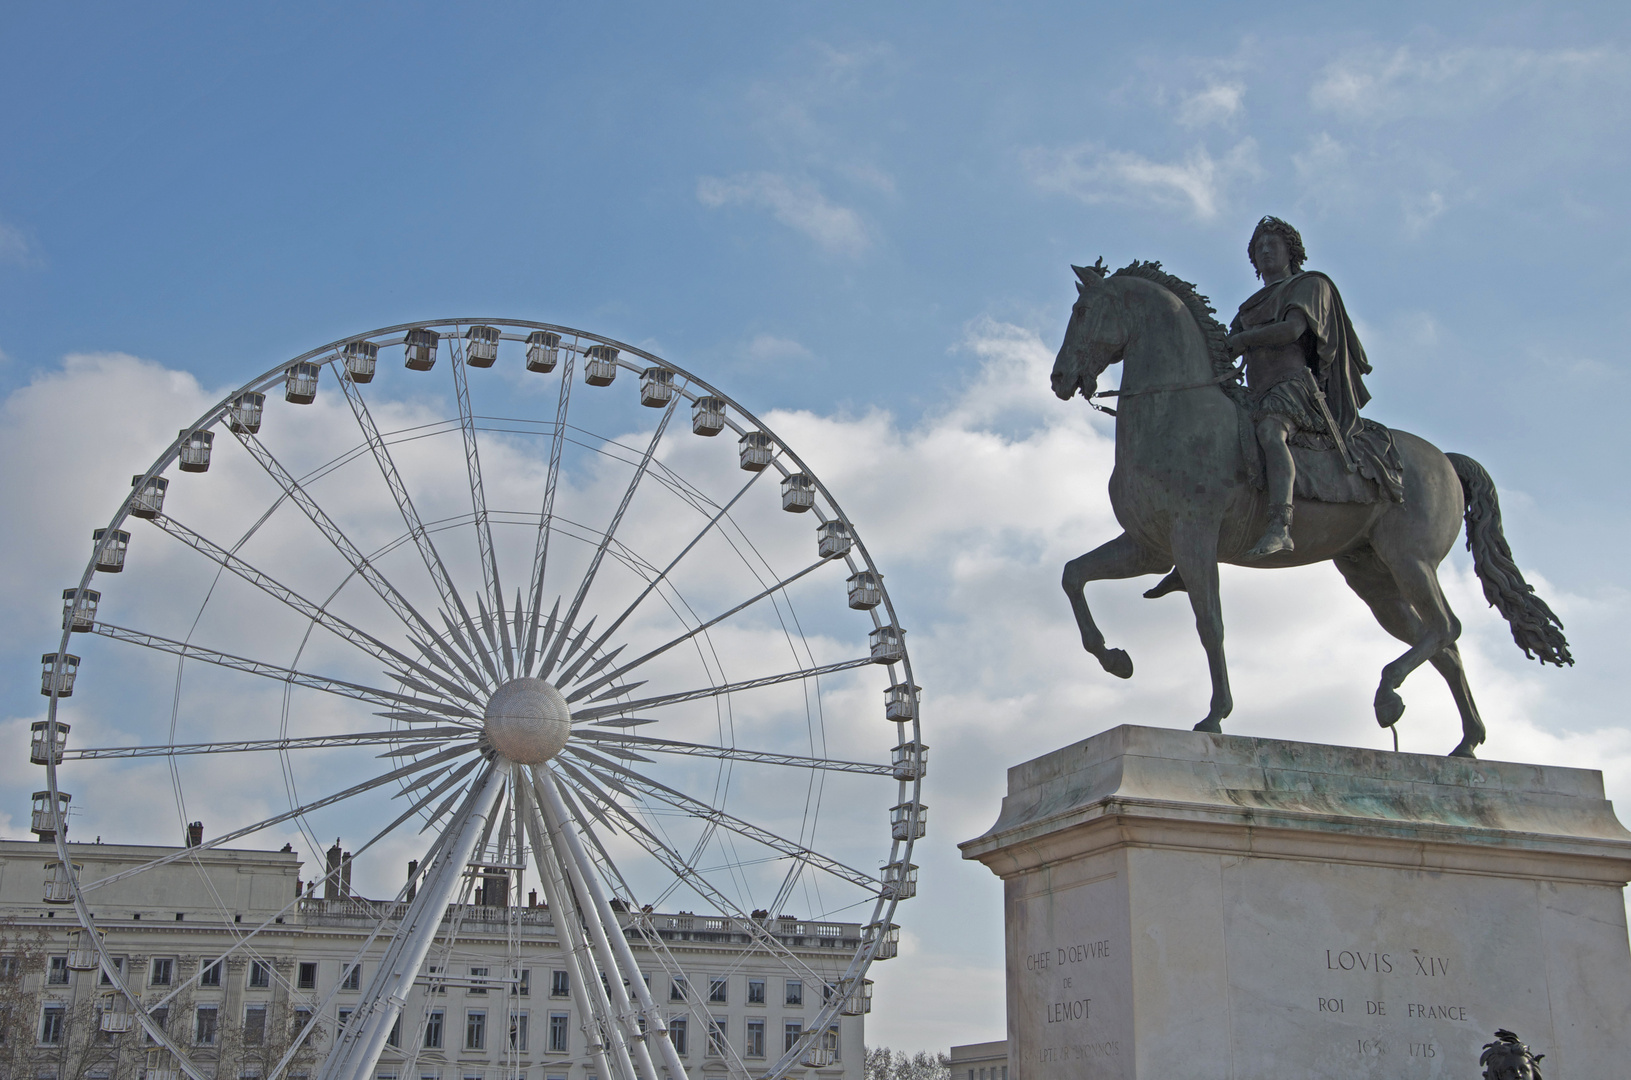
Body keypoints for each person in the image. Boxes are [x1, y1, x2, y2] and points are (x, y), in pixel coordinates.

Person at [1226, 216, 1402, 558]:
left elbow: (1292, 330)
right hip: (1255, 390)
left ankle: (1281, 525)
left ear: (1290, 252)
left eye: (1271, 244)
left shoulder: (1310, 285)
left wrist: (1244, 339)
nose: (1264, 251)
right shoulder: (1249, 306)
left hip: (1295, 387)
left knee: (1271, 432)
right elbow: (1226, 345)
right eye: (1258, 247)